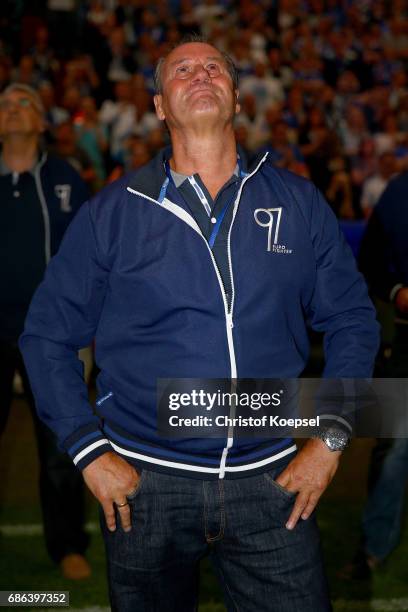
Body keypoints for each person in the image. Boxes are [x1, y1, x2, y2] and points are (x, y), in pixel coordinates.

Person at [20, 38, 379, 611]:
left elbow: (354, 321)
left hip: (274, 477)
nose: (202, 74)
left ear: (236, 96)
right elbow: (45, 336)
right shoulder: (110, 213)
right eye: (182, 70)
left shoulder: (298, 200)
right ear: (160, 105)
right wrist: (87, 448)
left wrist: (332, 438)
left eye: (215, 68)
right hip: (144, 486)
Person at [0, 83, 91, 580]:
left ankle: (67, 544)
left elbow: (84, 257)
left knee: (61, 442)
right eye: (5, 104)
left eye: (24, 103)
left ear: (41, 122)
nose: (12, 110)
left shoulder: (66, 179)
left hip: (50, 335)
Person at [350, 171, 408, 578]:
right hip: (405, 341)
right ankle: (372, 547)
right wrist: (397, 293)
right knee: (392, 446)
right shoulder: (399, 191)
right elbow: (369, 260)